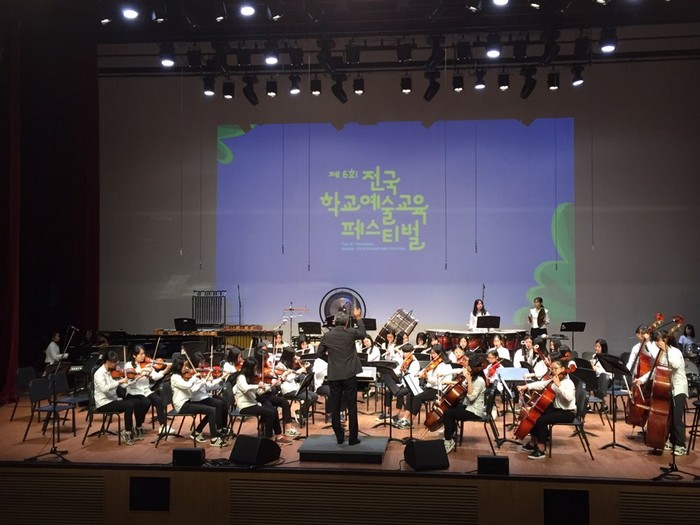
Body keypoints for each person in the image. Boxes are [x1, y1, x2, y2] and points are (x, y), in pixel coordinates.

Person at [316, 307, 366, 445]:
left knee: (335, 406)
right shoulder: (350, 333)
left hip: (334, 375)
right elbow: (363, 333)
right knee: (352, 406)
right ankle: (353, 438)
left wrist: (331, 361)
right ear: (346, 323)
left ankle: (339, 436)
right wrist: (358, 317)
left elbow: (319, 353)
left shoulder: (327, 336)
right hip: (349, 374)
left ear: (334, 322)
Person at [634, 330, 689, 455]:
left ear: (666, 340)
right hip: (668, 388)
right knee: (669, 417)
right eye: (656, 341)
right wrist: (641, 380)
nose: (657, 343)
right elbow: (656, 370)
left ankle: (681, 445)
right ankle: (672, 441)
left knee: (676, 418)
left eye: (658, 341)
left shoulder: (675, 352)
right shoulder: (662, 354)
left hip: (678, 388)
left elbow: (675, 365)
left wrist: (666, 351)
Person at [517, 359, 576, 460]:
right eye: (552, 368)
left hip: (567, 412)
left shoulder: (568, 383)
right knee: (534, 414)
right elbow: (542, 384)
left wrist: (558, 385)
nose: (553, 371)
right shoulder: (555, 379)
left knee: (541, 420)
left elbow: (569, 397)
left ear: (563, 369)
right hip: (557, 409)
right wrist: (526, 386)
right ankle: (533, 442)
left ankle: (541, 448)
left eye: (555, 368)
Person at [170, 356, 229, 447]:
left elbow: (193, 388)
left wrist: (202, 380)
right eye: (184, 366)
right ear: (179, 367)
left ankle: (198, 432)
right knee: (212, 410)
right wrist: (195, 377)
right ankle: (214, 438)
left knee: (212, 409)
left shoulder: (181, 376)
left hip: (188, 402)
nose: (186, 368)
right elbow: (188, 386)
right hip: (182, 405)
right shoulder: (175, 377)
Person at [232, 357, 292, 445]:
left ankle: (278, 436)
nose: (255, 370)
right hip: (245, 406)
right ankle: (268, 439)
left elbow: (257, 393)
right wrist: (258, 386)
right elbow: (245, 388)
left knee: (273, 411)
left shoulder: (249, 378)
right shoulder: (241, 377)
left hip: (252, 403)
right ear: (249, 368)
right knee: (270, 413)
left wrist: (268, 387)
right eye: (254, 368)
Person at [443, 355, 488, 454]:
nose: (466, 367)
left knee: (448, 414)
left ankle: (448, 441)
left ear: (473, 368)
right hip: (467, 406)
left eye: (468, 366)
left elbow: (471, 397)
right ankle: (451, 434)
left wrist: (468, 380)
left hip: (474, 410)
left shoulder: (479, 381)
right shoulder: (473, 377)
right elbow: (462, 387)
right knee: (449, 407)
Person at [402, 344, 453, 430]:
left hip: (438, 389)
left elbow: (438, 381)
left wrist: (427, 378)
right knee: (411, 393)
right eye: (432, 353)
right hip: (430, 387)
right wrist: (415, 374)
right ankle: (404, 418)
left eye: (434, 353)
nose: (432, 355)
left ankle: (410, 421)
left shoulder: (445, 365)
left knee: (418, 397)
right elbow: (423, 371)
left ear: (440, 353)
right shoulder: (433, 363)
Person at [124, 344, 170, 438]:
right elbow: (130, 380)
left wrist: (166, 370)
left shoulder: (148, 364)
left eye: (144, 353)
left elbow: (155, 377)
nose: (143, 356)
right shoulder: (128, 365)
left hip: (146, 390)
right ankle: (139, 426)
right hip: (134, 391)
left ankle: (163, 426)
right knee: (146, 402)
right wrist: (141, 372)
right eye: (141, 354)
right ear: (134, 355)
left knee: (158, 400)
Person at [93, 350, 138, 445]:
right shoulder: (99, 374)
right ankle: (127, 432)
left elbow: (123, 386)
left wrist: (134, 380)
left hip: (113, 399)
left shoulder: (113, 371)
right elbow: (104, 389)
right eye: (114, 363)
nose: (116, 365)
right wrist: (118, 382)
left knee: (134, 402)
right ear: (107, 362)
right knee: (128, 405)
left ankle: (130, 429)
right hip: (103, 403)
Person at [275, 347, 318, 426]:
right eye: (293, 356)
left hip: (295, 388)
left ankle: (300, 413)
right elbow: (288, 379)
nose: (294, 357)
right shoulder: (280, 366)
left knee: (314, 396)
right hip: (287, 390)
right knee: (308, 398)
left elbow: (294, 375)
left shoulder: (290, 363)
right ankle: (301, 414)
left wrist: (302, 368)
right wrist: (301, 370)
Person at [591, 338, 612, 405]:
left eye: (599, 347)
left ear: (603, 348)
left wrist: (595, 368)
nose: (596, 348)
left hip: (606, 379)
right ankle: (587, 403)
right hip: (597, 378)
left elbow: (605, 372)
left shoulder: (607, 358)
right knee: (587, 380)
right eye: (596, 346)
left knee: (598, 381)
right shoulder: (594, 356)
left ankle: (602, 402)